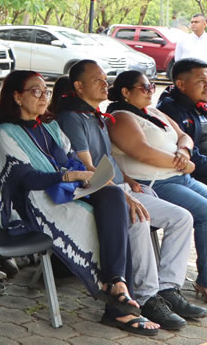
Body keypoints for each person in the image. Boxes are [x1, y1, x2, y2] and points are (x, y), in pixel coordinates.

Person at [0, 70, 159, 335]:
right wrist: (72, 175)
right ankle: (120, 307)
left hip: (68, 193)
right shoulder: (5, 132)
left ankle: (116, 284)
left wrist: (85, 176)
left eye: (46, 91)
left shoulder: (50, 127)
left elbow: (71, 161)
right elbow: (24, 178)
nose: (44, 97)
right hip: (38, 204)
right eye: (36, 91)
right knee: (102, 219)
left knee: (114, 197)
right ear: (17, 97)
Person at [52, 61, 196, 329]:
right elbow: (88, 168)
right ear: (79, 86)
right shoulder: (72, 117)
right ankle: (147, 297)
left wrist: (128, 181)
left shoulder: (97, 115)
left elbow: (109, 160)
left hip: (121, 187)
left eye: (105, 78)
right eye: (97, 80)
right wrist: (125, 194)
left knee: (182, 218)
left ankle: (168, 289)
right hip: (101, 193)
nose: (105, 83)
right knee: (139, 220)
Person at [105, 70, 207, 316]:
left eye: (152, 86)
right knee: (206, 213)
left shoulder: (154, 111)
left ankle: (179, 287)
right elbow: (141, 151)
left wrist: (184, 153)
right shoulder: (120, 116)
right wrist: (180, 163)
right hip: (155, 182)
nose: (150, 91)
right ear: (126, 92)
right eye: (144, 87)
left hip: (180, 175)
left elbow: (184, 136)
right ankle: (202, 286)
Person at [158, 58, 207, 198]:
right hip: (197, 175)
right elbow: (192, 156)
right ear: (181, 85)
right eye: (201, 81)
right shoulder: (170, 110)